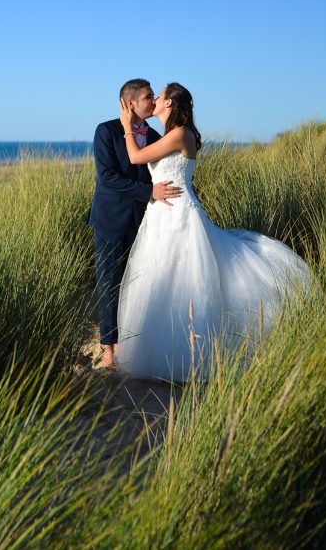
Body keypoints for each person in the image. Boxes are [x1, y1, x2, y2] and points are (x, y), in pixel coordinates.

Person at [115, 82, 310, 381]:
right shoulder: (170, 134)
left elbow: (135, 158)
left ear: (169, 104)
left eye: (160, 95)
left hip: (179, 215)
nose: (155, 100)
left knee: (186, 278)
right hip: (161, 216)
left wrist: (128, 126)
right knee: (163, 279)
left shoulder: (180, 134)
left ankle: (188, 356)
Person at [88, 79, 183, 369]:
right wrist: (148, 193)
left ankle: (135, 342)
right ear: (131, 103)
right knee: (109, 282)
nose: (153, 101)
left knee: (139, 282)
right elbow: (108, 177)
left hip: (145, 220)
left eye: (154, 97)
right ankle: (108, 349)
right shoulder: (106, 131)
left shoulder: (155, 135)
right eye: (147, 97)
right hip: (110, 219)